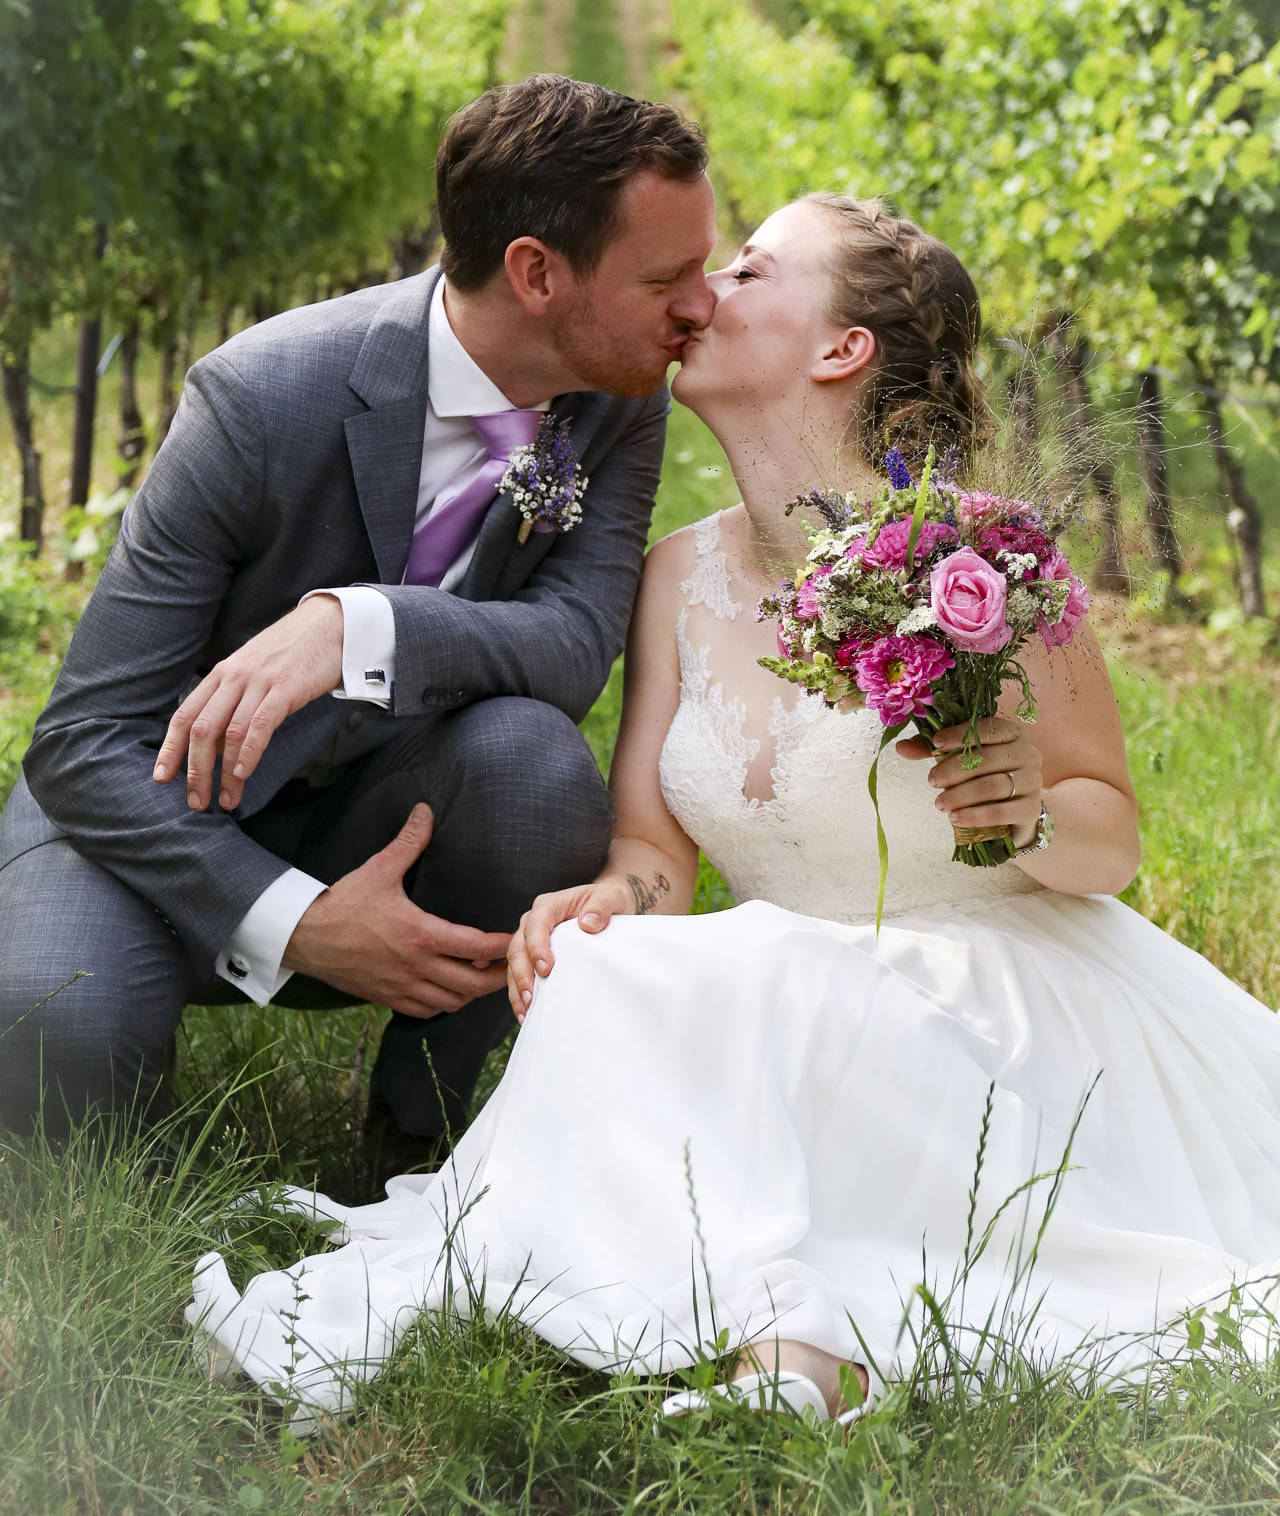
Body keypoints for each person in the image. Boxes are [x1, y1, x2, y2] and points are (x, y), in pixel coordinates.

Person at [191, 194, 1280, 1426]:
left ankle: (798, 1351)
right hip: (797, 995)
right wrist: (604, 902)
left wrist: (1025, 812)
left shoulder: (985, 555)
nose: (706, 290)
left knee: (759, 973)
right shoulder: (678, 575)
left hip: (990, 1002)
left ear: (839, 349)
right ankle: (786, 1350)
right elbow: (656, 853)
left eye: (753, 269)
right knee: (615, 971)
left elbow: (1109, 834)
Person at [0, 76, 716, 1166]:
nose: (701, 306)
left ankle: (413, 1137)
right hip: (151, 819)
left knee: (538, 768)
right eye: (667, 276)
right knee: (61, 1041)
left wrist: (363, 625)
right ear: (535, 273)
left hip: (386, 805)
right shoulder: (259, 397)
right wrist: (295, 918)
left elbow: (573, 646)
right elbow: (80, 743)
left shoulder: (619, 400)